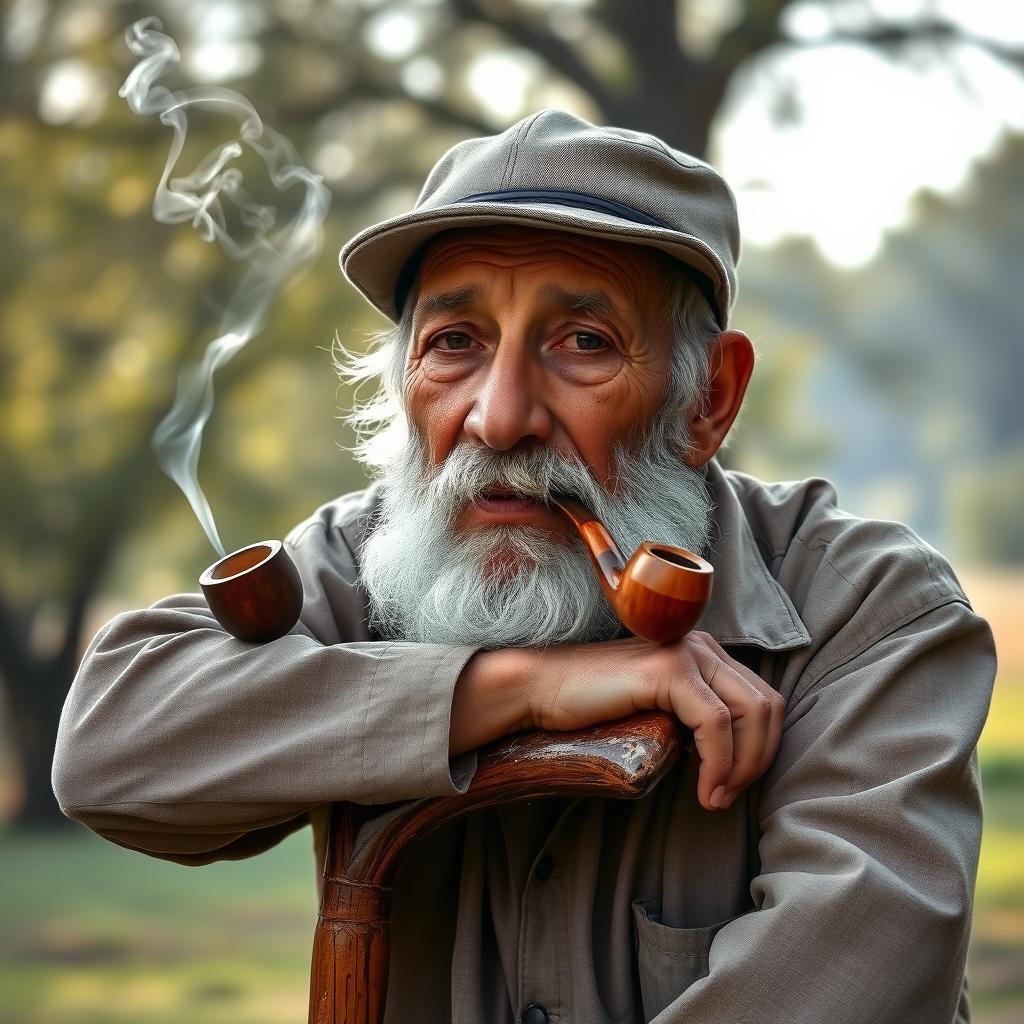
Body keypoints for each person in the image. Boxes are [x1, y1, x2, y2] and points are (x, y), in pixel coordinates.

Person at [53, 110, 995, 1023]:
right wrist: (525, 687)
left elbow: (853, 980)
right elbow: (110, 748)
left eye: (583, 344)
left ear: (708, 398)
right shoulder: (364, 562)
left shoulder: (864, 610)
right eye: (454, 344)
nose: (499, 419)